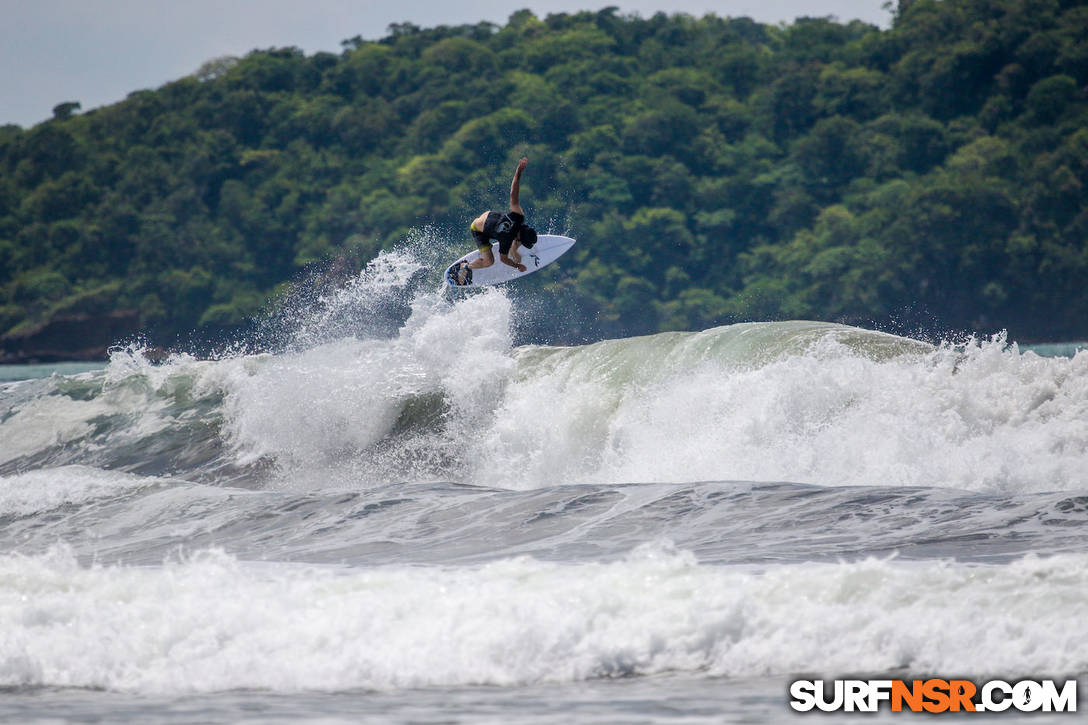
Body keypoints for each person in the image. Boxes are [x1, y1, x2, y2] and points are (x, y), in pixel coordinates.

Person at [449, 158, 537, 285]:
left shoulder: (518, 217)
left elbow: (514, 195)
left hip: (488, 216)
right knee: (489, 262)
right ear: (520, 236)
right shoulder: (506, 239)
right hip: (478, 230)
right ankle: (465, 267)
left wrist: (518, 172)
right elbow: (503, 260)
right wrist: (517, 266)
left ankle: (514, 249)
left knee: (512, 242)